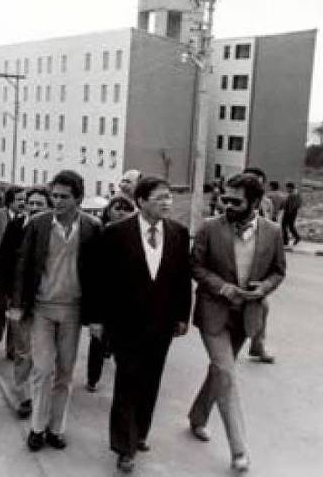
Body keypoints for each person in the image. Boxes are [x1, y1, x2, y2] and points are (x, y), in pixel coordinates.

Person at [187, 173, 286, 472]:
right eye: (225, 199)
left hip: (246, 315)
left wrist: (264, 288)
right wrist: (220, 286)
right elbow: (195, 265)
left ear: (255, 202)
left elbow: (279, 271)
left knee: (219, 371)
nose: (227, 205)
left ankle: (197, 417)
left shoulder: (272, 232)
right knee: (227, 374)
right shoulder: (208, 228)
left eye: (236, 201)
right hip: (214, 313)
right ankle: (239, 450)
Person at [101, 177, 192, 473]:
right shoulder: (116, 233)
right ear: (140, 201)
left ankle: (140, 433)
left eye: (169, 197)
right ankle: (123, 446)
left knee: (150, 382)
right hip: (125, 324)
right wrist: (99, 321)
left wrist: (182, 317)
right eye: (160, 198)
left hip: (162, 323)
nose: (167, 202)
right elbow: (103, 282)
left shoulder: (178, 233)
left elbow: (182, 281)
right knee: (127, 381)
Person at [12, 170, 102, 452]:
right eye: (55, 196)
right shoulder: (38, 225)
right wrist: (17, 305)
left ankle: (56, 429)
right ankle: (37, 428)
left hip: (73, 310)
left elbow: (100, 276)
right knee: (41, 369)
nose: (58, 201)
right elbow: (23, 266)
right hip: (41, 307)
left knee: (64, 372)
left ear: (78, 199)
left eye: (65, 197)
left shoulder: (92, 227)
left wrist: (97, 317)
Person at [0, 186, 53, 419]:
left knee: (45, 352)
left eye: (41, 204)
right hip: (20, 298)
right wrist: (10, 294)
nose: (35, 207)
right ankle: (23, 396)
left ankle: (42, 396)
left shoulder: (53, 229)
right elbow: (4, 260)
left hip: (46, 298)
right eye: (32, 203)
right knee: (23, 350)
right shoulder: (15, 226)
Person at [85, 195, 135, 393]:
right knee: (98, 339)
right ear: (108, 211)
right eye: (117, 208)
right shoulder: (100, 232)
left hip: (126, 299)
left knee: (121, 342)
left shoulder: (135, 235)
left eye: (126, 208)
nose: (121, 212)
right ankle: (92, 378)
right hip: (104, 296)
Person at [0, 186, 26, 357]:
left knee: (15, 311)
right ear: (10, 201)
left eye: (24, 199)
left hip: (17, 274)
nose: (23, 203)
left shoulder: (28, 219)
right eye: (19, 200)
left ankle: (12, 349)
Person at [242, 167, 278, 364]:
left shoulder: (267, 203)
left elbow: (270, 228)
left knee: (262, 304)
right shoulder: (233, 202)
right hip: (235, 260)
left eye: (258, 182)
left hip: (257, 261)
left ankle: (257, 344)